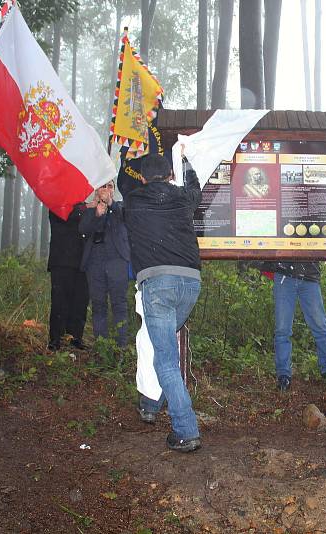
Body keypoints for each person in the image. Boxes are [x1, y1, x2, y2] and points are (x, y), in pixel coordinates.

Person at [121, 154, 203, 453]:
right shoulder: (182, 197)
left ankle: (186, 430)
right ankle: (153, 402)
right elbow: (196, 188)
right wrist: (189, 162)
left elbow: (122, 197)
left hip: (157, 285)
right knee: (162, 345)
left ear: (142, 178)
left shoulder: (132, 202)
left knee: (165, 359)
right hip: (190, 283)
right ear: (170, 174)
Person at [266, 261, 326, 392]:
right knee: (282, 328)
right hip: (284, 274)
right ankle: (283, 375)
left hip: (310, 276)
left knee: (320, 326)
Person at [79, 181, 131, 348]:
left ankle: (121, 346)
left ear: (114, 191)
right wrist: (96, 215)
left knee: (119, 304)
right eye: (103, 186)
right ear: (96, 190)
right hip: (95, 263)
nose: (106, 190)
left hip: (117, 262)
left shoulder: (121, 207)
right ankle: (101, 347)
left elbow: (127, 219)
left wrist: (110, 204)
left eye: (110, 186)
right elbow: (82, 230)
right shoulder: (90, 209)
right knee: (98, 305)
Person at [47, 202, 88, 351]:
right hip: (61, 261)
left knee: (80, 301)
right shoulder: (58, 204)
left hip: (82, 262)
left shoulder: (84, 207)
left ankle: (75, 337)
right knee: (59, 301)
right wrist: (87, 207)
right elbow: (67, 217)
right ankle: (55, 339)